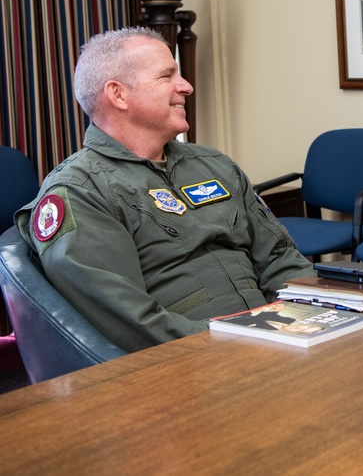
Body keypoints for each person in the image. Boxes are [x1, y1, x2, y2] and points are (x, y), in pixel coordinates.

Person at [14, 27, 314, 352]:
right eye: (167, 75)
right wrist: (244, 339)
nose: (186, 86)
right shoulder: (80, 191)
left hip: (280, 337)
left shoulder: (213, 163)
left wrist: (316, 311)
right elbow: (132, 323)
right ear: (118, 95)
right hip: (195, 363)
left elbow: (279, 257)